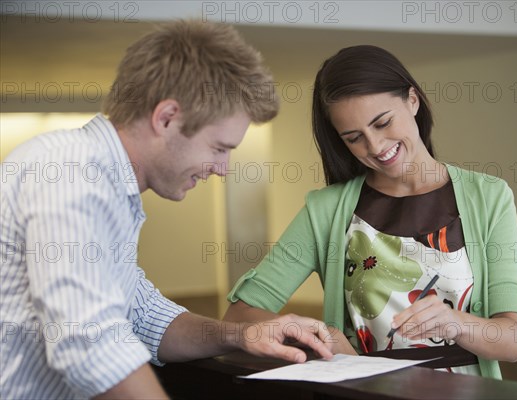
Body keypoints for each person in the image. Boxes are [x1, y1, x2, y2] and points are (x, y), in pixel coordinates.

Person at [0, 20, 335, 400]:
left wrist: (241, 334)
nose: (223, 168)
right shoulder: (71, 170)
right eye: (219, 148)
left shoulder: (110, 189)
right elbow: (91, 345)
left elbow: (145, 318)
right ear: (166, 118)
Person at [224, 45, 517, 379]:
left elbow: (513, 341)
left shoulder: (488, 197)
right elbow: (239, 317)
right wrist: (322, 337)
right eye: (354, 138)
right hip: (365, 390)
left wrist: (459, 323)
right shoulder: (326, 210)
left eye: (383, 122)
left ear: (412, 100)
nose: (374, 147)